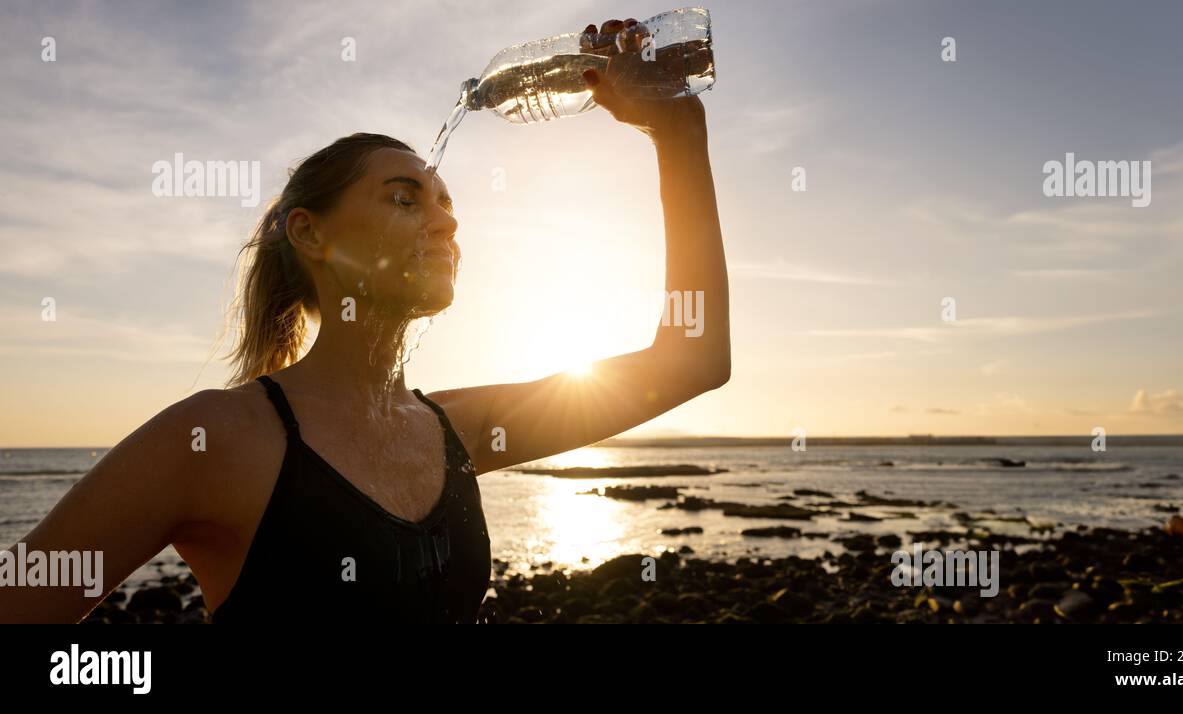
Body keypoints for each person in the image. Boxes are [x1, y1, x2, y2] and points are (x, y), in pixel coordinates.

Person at [0, 17, 729, 623]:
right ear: (310, 234)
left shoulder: (458, 434)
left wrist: (677, 134)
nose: (444, 221)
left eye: (445, 201)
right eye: (404, 198)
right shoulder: (213, 441)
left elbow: (692, 359)